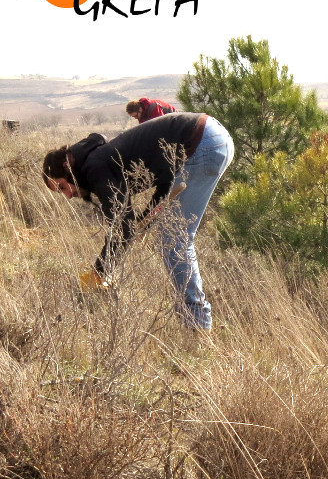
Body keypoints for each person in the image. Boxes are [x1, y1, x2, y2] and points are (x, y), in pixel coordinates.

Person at [42, 112, 233, 331]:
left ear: (68, 170)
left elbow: (122, 228)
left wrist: (99, 271)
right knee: (172, 236)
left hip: (202, 143)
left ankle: (197, 325)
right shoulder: (102, 160)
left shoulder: (95, 168)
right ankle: (196, 320)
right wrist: (145, 220)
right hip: (213, 138)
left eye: (63, 187)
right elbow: (166, 177)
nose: (67, 196)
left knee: (173, 240)